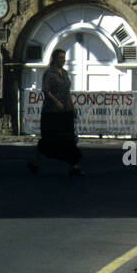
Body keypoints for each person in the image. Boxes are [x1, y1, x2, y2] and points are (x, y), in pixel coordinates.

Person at [28, 47, 83, 177]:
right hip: (52, 112)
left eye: (64, 58)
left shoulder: (64, 73)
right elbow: (46, 91)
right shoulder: (49, 73)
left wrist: (72, 106)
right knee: (49, 139)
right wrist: (56, 102)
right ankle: (35, 162)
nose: (63, 60)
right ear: (54, 59)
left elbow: (67, 91)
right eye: (60, 58)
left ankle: (74, 166)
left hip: (66, 110)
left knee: (69, 138)